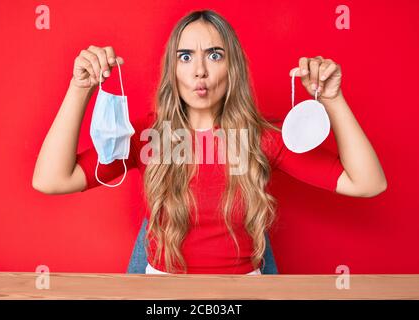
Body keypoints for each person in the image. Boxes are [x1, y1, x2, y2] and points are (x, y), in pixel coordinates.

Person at [32, 10, 387, 275]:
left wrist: (333, 98)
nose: (199, 70)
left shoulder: (262, 138)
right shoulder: (147, 136)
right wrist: (80, 88)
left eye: (214, 55)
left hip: (242, 293)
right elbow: (51, 180)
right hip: (161, 293)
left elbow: (368, 183)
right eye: (185, 57)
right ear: (173, 70)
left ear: (232, 68)